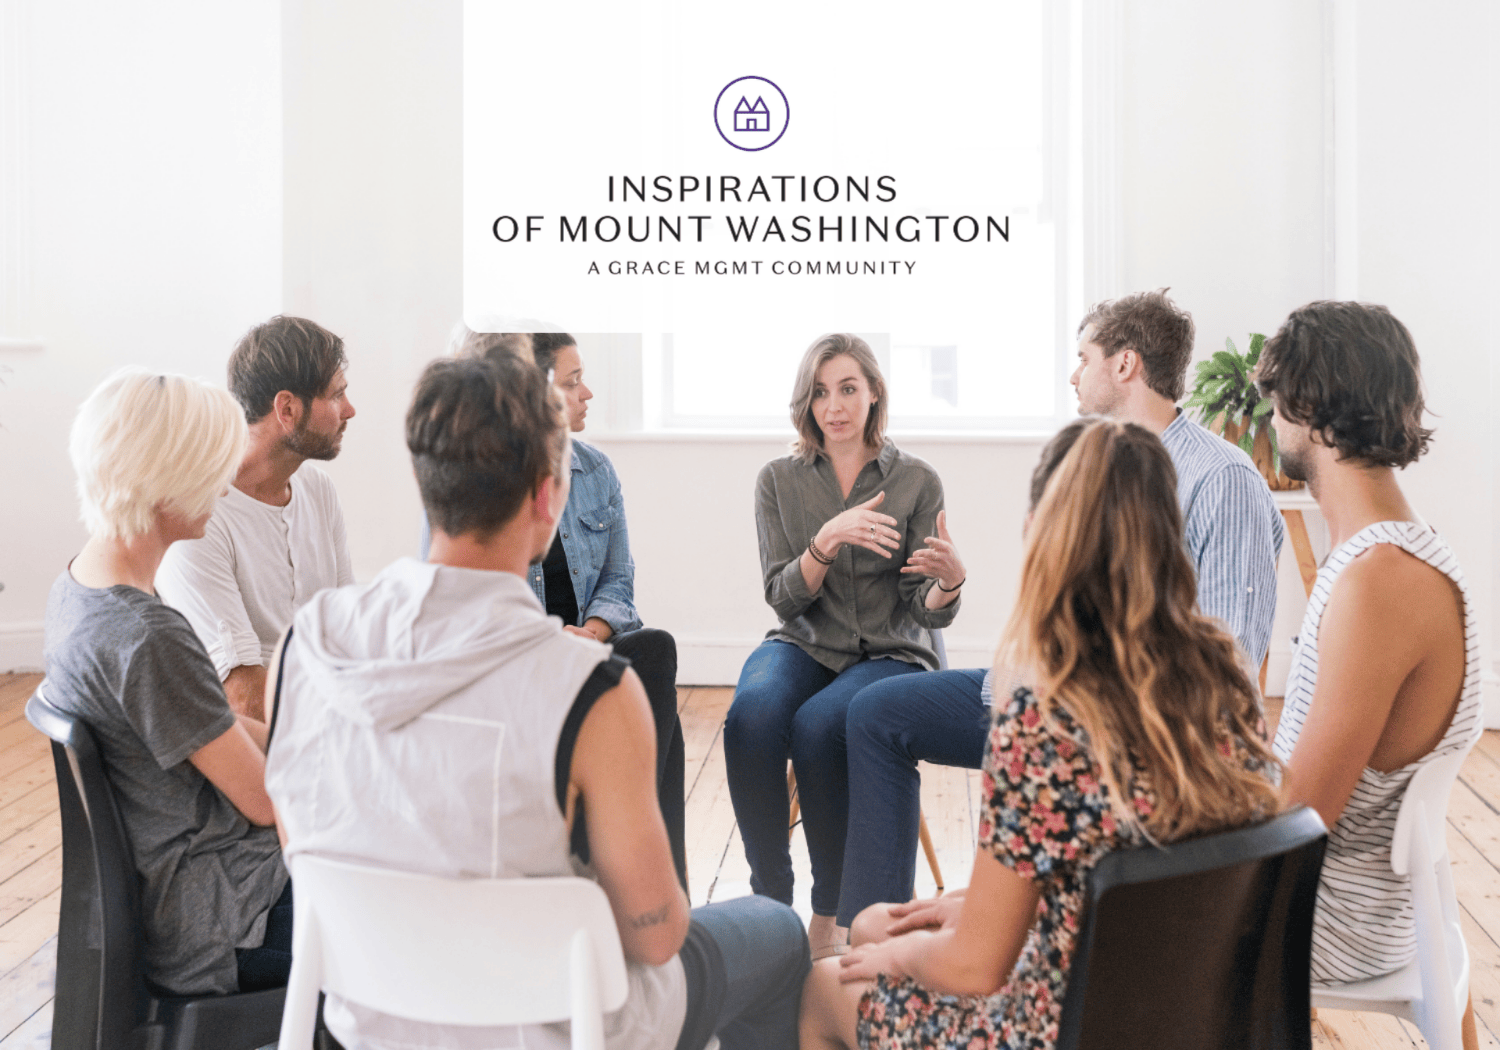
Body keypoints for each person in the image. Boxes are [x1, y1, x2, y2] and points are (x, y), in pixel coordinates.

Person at [266, 351, 809, 1050]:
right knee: (779, 931)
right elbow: (655, 933)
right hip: (555, 1024)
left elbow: (300, 840)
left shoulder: (305, 643)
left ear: (422, 479)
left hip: (368, 1019)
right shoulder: (591, 689)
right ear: (548, 494)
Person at [799, 417, 1281, 1050]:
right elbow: (1128, 864)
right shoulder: (1227, 682)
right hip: (1177, 1007)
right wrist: (973, 907)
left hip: (1064, 1025)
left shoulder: (1045, 717)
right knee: (874, 929)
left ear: (1042, 533)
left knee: (832, 979)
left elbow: (975, 968)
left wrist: (908, 957)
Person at [837, 289, 1285, 926]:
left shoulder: (1223, 479)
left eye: (1084, 357)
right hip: (1045, 696)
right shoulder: (1092, 464)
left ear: (1124, 365)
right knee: (875, 713)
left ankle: (974, 926)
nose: (1074, 373)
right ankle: (872, 931)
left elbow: (1230, 665)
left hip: (1118, 730)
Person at [1256, 301, 1482, 1039]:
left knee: (1081, 912)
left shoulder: (1379, 580)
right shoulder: (1394, 552)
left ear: (1311, 406)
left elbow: (1301, 816)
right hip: (1347, 900)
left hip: (1328, 919)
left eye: (1276, 398)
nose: (1270, 419)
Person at [43, 368, 289, 996]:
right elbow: (265, 800)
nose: (226, 485)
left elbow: (215, 724)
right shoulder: (148, 636)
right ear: (167, 483)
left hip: (184, 896)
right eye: (214, 470)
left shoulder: (80, 587)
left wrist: (301, 737)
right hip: (223, 922)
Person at [724, 333, 965, 958]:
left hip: (889, 648)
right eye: (821, 392)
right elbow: (783, 598)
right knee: (750, 716)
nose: (834, 405)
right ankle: (769, 899)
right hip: (805, 639)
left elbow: (923, 609)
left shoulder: (916, 480)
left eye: (849, 389)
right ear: (805, 402)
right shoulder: (778, 481)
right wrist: (825, 542)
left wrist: (949, 581)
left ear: (874, 394)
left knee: (819, 725)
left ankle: (826, 914)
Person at [419, 331, 688, 888]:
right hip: (515, 660)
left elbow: (619, 579)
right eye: (572, 382)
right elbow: (457, 591)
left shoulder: (597, 471)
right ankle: (634, 873)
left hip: (588, 650)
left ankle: (655, 871)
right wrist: (548, 645)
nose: (587, 393)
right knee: (647, 697)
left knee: (652, 652)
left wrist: (589, 635)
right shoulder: (478, 485)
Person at [156, 315, 356, 721]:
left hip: (326, 715)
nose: (350, 411)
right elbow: (241, 698)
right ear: (287, 408)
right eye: (337, 396)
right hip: (265, 746)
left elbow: (349, 630)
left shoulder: (317, 490)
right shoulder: (196, 517)